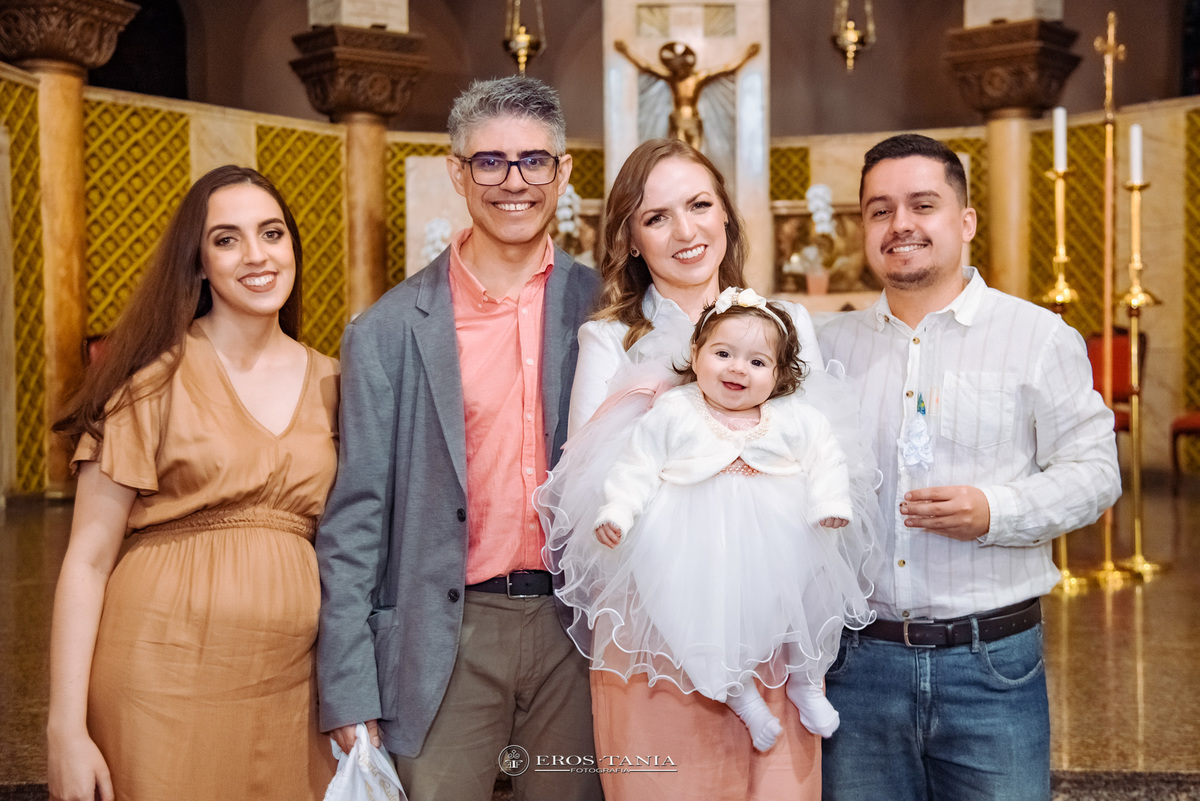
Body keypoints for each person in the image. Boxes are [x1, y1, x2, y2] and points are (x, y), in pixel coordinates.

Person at [314, 76, 602, 801]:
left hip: (578, 632)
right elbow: (354, 521)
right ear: (457, 171)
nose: (515, 181)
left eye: (535, 161)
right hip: (445, 633)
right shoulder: (387, 330)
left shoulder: (607, 309)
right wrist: (349, 686)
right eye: (491, 161)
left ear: (563, 172)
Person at [817, 133, 1121, 801]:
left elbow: (1098, 471)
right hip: (858, 663)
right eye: (879, 209)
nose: (900, 225)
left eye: (922, 204)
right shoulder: (823, 348)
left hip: (991, 663)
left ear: (965, 220)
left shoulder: (1037, 337)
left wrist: (995, 510)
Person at [46, 165, 339, 801]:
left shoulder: (337, 384)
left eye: (272, 233)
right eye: (227, 239)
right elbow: (88, 562)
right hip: (161, 676)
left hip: (297, 690)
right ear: (199, 264)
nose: (257, 256)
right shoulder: (152, 382)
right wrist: (64, 729)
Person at [561, 137, 826, 800]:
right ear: (629, 239)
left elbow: (820, 457)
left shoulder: (786, 324)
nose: (686, 231)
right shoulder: (608, 341)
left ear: (727, 215)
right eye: (657, 217)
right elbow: (589, 499)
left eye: (700, 204)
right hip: (655, 642)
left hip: (771, 630)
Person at [541, 287, 878, 754]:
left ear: (779, 376)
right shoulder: (676, 410)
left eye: (758, 363)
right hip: (696, 543)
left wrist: (830, 502)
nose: (738, 368)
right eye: (724, 353)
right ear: (696, 355)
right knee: (698, 619)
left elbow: (825, 456)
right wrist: (618, 510)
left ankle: (804, 678)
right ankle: (741, 696)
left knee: (802, 603)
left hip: (778, 538)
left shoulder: (792, 416)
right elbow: (638, 464)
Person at [614, 39, 760, 149]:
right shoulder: (672, 79)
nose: (679, 69)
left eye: (681, 64)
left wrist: (747, 56)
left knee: (695, 154)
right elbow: (646, 67)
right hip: (678, 119)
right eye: (675, 65)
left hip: (693, 120)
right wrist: (626, 52)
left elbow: (727, 69)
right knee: (679, 152)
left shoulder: (699, 78)